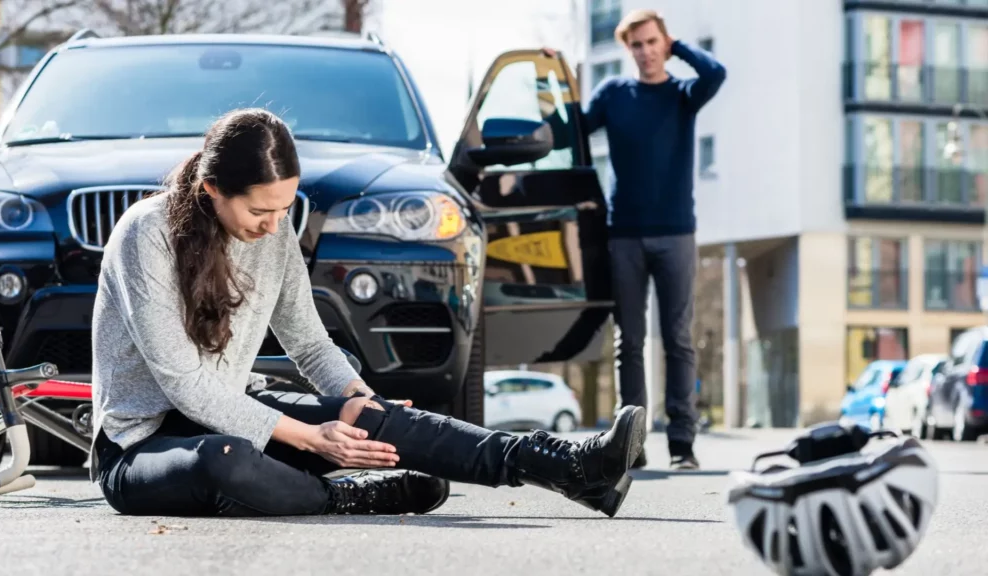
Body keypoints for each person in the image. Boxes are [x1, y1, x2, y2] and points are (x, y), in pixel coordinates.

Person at [89, 107, 647, 518]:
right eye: (260, 209)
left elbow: (308, 343)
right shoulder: (148, 233)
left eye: (285, 207)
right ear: (212, 188)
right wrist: (311, 439)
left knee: (365, 415)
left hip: (232, 409)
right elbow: (184, 384)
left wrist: (363, 401)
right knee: (223, 459)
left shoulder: (274, 230)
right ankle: (344, 496)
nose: (273, 223)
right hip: (141, 448)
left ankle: (568, 467)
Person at [583, 10, 726, 470]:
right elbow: (574, 127)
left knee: (679, 339)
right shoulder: (614, 95)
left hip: (676, 234)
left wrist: (678, 44)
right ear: (629, 51)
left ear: (663, 43)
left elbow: (716, 72)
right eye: (637, 45)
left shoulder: (684, 95)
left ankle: (683, 444)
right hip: (624, 233)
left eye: (652, 42)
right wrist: (555, 73)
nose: (645, 52)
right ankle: (632, 443)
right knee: (630, 342)